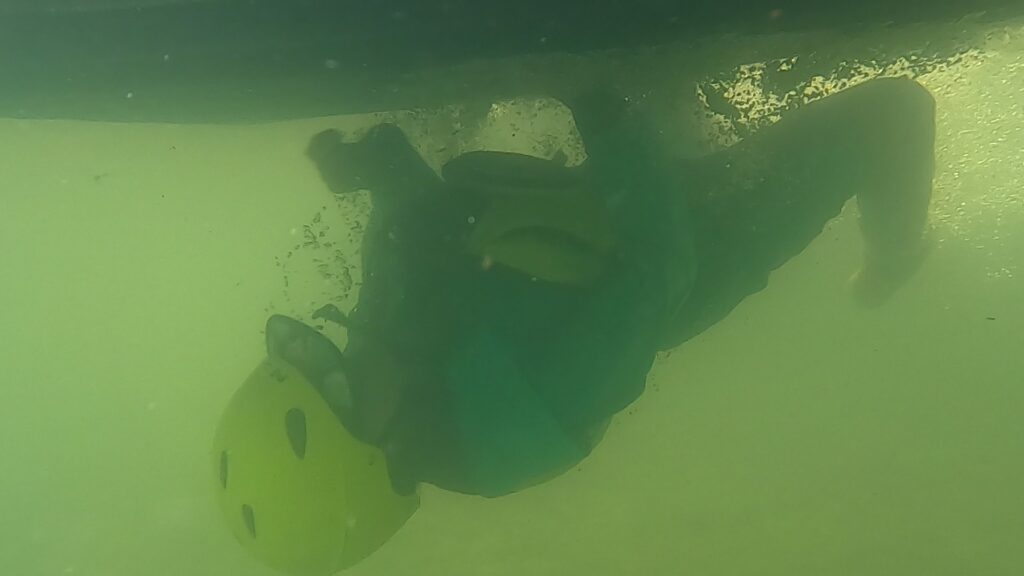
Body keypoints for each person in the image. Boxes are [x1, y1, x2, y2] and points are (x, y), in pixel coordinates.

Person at [213, 76, 935, 574]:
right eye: (334, 385)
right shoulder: (518, 429)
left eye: (314, 359)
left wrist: (374, 163)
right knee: (895, 114)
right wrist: (592, 94)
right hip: (696, 243)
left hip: (582, 204)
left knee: (682, 101)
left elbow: (408, 226)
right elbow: (661, 265)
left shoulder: (373, 370)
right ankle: (897, 256)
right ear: (384, 457)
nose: (343, 354)